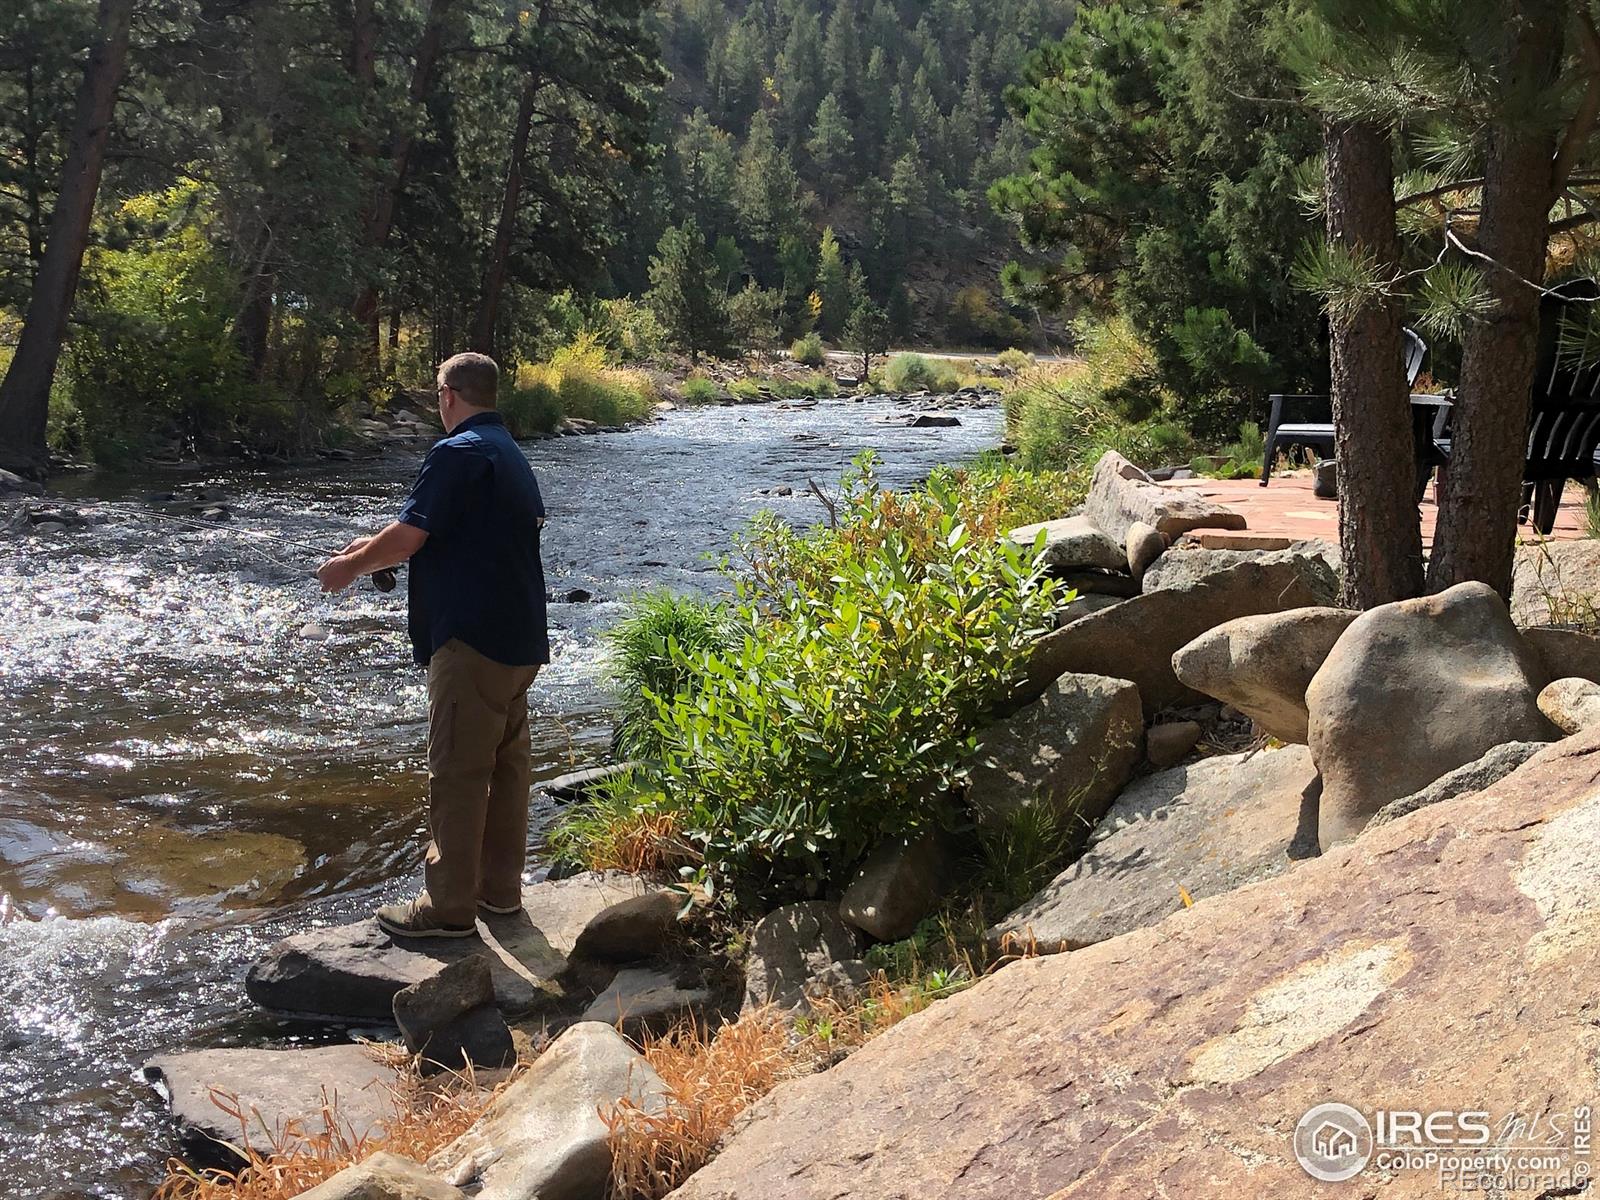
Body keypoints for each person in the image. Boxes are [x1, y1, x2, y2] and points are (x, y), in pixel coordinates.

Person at [317, 352, 549, 938]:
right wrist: (368, 547)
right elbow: (431, 527)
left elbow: (412, 535)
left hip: (469, 640)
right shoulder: (510, 453)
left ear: (449, 395)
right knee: (507, 770)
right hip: (519, 640)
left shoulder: (455, 452)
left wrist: (348, 567)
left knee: (457, 773)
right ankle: (500, 895)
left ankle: (447, 909)